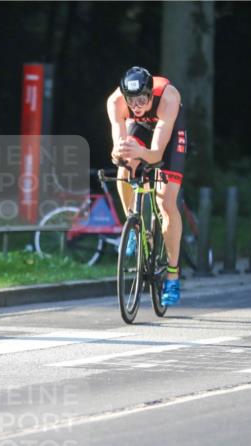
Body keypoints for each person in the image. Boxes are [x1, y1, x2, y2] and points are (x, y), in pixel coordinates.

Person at [107, 66, 188, 307]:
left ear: (151, 94)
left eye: (142, 99)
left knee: (165, 200)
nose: (137, 105)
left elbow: (155, 154)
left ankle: (172, 274)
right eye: (131, 100)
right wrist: (118, 153)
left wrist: (142, 153)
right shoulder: (116, 102)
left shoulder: (168, 98)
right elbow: (119, 145)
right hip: (141, 129)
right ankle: (133, 224)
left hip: (169, 134)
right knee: (124, 166)